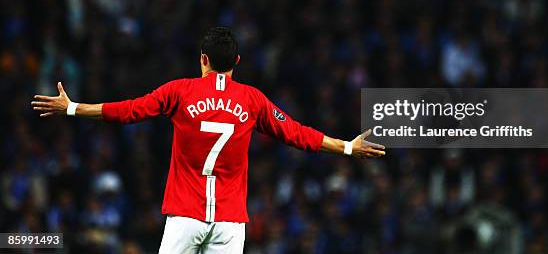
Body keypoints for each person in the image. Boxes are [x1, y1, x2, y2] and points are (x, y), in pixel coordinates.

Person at [31, 27, 385, 253]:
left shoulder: (179, 92)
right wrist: (348, 146)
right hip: (230, 223)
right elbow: (295, 133)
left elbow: (129, 111)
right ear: (237, 62)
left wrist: (73, 108)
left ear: (203, 60)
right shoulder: (252, 100)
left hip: (185, 215)